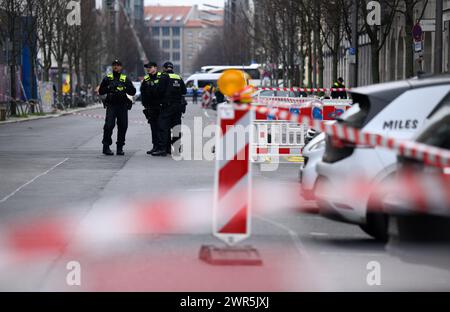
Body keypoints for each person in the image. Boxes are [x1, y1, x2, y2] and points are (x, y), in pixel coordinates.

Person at [98, 59, 136, 156]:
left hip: (122, 106)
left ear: (121, 67)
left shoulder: (125, 78)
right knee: (109, 126)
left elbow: (133, 92)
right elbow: (101, 91)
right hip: (111, 105)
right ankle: (106, 147)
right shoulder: (108, 78)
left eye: (118, 65)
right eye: (114, 65)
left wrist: (124, 88)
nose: (116, 66)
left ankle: (120, 147)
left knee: (123, 126)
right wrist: (109, 88)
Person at [151, 61, 187, 157]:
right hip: (178, 107)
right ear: (172, 68)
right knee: (176, 127)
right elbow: (184, 90)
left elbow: (159, 91)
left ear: (164, 68)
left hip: (167, 106)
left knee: (163, 127)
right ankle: (177, 149)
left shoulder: (164, 77)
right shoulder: (178, 77)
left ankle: (163, 149)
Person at [140, 62, 162, 155]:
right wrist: (145, 105)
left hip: (161, 106)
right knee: (153, 127)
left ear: (155, 68)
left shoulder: (162, 77)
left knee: (161, 127)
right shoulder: (146, 79)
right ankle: (155, 146)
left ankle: (163, 147)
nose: (148, 69)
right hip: (151, 107)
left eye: (150, 67)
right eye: (147, 68)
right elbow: (143, 92)